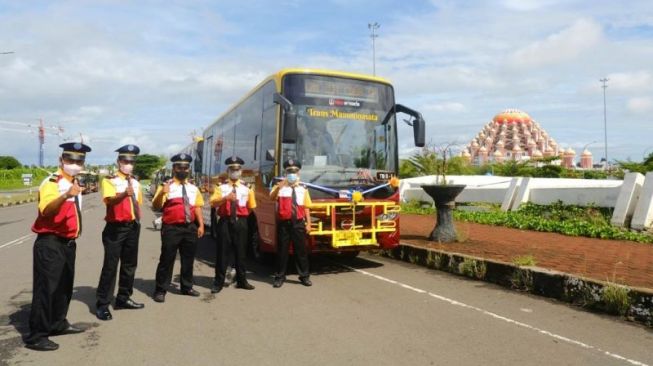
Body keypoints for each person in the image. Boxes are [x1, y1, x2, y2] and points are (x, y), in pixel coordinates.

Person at [25, 142, 91, 351]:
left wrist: (72, 193)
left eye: (79, 160)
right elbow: (46, 211)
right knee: (46, 290)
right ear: (61, 160)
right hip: (50, 242)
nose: (74, 163)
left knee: (63, 287)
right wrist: (65, 195)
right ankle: (37, 335)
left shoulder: (74, 182)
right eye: (70, 159)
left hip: (68, 243)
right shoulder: (52, 182)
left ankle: (57, 323)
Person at [95, 144, 145, 321]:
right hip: (116, 228)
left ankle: (123, 298)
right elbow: (109, 201)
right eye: (125, 160)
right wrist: (124, 194)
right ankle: (102, 303)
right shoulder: (110, 180)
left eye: (132, 161)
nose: (129, 163)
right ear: (118, 161)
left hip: (132, 226)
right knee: (110, 266)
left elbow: (137, 204)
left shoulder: (136, 183)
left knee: (130, 264)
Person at [152, 153, 204, 303]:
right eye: (180, 167)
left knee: (188, 259)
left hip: (190, 228)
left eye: (186, 167)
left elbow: (197, 207)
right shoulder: (166, 186)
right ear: (174, 168)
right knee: (167, 259)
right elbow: (156, 206)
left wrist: (200, 225)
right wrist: (163, 193)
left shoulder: (193, 188)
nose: (183, 169)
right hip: (171, 229)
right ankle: (160, 289)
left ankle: (187, 286)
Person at [210, 156, 256, 293]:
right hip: (225, 221)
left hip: (241, 222)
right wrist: (225, 199)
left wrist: (241, 216)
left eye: (237, 169)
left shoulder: (247, 188)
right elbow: (213, 203)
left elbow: (251, 206)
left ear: (241, 171)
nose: (235, 171)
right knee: (222, 253)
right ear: (228, 170)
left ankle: (242, 280)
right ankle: (218, 282)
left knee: (241, 252)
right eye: (232, 169)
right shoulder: (221, 187)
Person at [269, 159, 312, 288]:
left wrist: (308, 223)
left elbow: (306, 207)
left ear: (298, 173)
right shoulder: (280, 187)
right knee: (282, 251)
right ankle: (279, 277)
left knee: (301, 251)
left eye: (294, 171)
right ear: (285, 173)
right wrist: (278, 187)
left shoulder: (303, 188)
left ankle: (304, 276)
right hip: (284, 223)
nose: (292, 174)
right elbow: (271, 198)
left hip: (298, 223)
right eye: (289, 171)